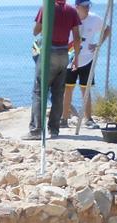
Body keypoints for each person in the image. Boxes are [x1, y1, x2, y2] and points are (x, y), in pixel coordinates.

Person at [25, 0, 81, 140]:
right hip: (64, 54)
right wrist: (77, 58)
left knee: (39, 92)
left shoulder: (46, 8)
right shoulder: (72, 11)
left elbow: (35, 31)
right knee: (58, 93)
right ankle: (54, 129)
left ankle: (36, 130)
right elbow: (77, 37)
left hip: (48, 53)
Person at [61, 0, 109, 129]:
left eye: (89, 6)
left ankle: (89, 119)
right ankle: (64, 119)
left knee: (85, 90)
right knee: (68, 89)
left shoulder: (95, 18)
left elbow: (107, 29)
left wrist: (99, 43)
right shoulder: (69, 17)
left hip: (87, 59)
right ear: (77, 7)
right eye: (84, 6)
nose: (87, 8)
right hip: (70, 60)